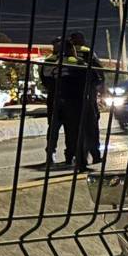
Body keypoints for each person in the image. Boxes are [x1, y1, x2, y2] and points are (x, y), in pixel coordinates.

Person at [69, 32, 104, 164]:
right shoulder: (88, 53)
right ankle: (94, 155)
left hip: (70, 98)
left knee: (75, 128)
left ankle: (75, 156)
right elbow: (99, 71)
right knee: (91, 126)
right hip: (88, 95)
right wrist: (98, 86)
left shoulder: (63, 56)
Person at [38, 36, 70, 168]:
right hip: (59, 98)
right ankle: (51, 155)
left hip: (63, 98)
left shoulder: (67, 59)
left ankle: (69, 155)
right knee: (54, 129)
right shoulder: (50, 60)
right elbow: (45, 79)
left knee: (67, 129)